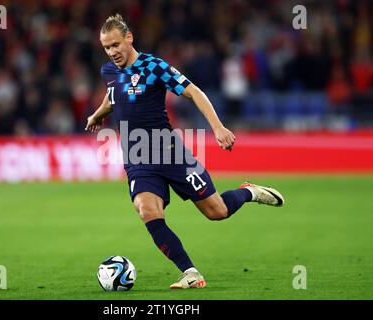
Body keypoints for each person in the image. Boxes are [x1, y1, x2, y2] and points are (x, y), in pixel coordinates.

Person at [86, 14, 285, 289]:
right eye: (107, 47)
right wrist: (97, 115)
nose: (112, 52)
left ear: (129, 38)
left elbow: (194, 92)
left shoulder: (154, 67)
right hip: (137, 158)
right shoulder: (109, 71)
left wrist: (218, 128)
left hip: (169, 154)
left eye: (116, 45)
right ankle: (190, 272)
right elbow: (113, 96)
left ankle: (249, 192)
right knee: (147, 211)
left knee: (217, 211)